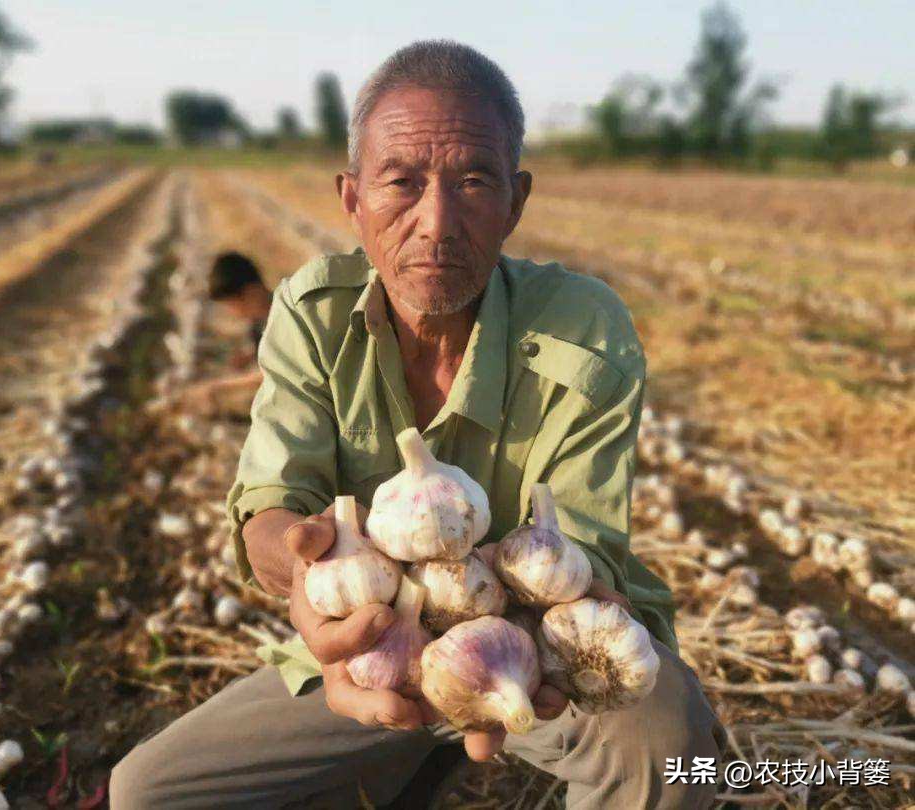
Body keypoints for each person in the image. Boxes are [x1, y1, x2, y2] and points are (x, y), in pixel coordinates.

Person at [112, 40, 725, 809]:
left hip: (539, 655)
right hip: (371, 647)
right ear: (352, 197)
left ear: (516, 201)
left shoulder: (586, 328)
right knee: (147, 793)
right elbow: (270, 506)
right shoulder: (310, 312)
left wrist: (524, 620)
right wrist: (306, 575)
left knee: (665, 744)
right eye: (402, 182)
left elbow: (576, 556)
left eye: (474, 181)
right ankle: (397, 766)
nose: (437, 223)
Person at [183, 251, 271, 415]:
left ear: (252, 292)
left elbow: (272, 373)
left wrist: (220, 386)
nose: (234, 312)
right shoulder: (258, 324)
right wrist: (249, 355)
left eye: (233, 305)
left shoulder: (284, 318)